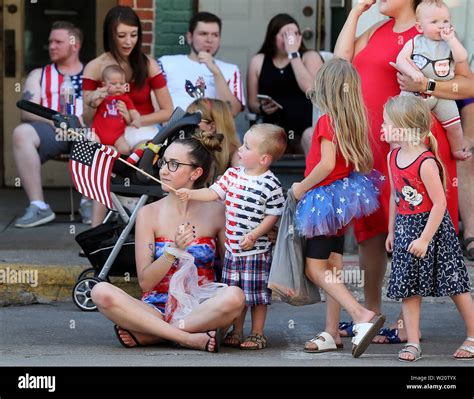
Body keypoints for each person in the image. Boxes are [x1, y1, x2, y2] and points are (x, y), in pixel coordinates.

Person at [332, 0, 474, 344]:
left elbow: (467, 86)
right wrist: (354, 12)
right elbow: (339, 61)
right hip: (375, 143)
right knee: (373, 229)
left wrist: (426, 86)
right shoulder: (376, 30)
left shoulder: (430, 28)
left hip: (414, 146)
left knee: (414, 224)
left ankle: (407, 324)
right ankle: (373, 313)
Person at [91, 131, 246, 351]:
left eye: (174, 164)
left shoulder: (218, 211)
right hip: (155, 306)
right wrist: (172, 250)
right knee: (101, 292)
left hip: (201, 307)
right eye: (163, 162)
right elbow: (146, 283)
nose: (163, 170)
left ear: (196, 172)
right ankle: (188, 338)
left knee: (235, 297)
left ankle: (153, 334)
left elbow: (232, 267)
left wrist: (258, 234)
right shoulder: (148, 213)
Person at [291, 59, 385, 358]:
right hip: (342, 200)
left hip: (322, 201)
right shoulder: (353, 120)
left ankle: (360, 314)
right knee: (333, 265)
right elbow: (361, 163)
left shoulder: (326, 121)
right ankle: (332, 332)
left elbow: (327, 164)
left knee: (314, 268)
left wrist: (301, 187)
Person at [176, 123, 287, 350]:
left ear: (264, 159)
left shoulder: (270, 184)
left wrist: (255, 234)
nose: (240, 150)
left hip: (255, 252)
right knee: (234, 293)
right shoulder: (232, 175)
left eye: (247, 147)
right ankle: (236, 330)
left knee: (256, 295)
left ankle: (257, 333)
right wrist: (191, 193)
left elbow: (273, 214)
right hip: (233, 251)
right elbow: (214, 192)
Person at [384, 95, 473, 361]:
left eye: (387, 123)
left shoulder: (425, 162)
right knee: (409, 287)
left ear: (404, 127)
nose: (382, 128)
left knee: (455, 284)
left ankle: (472, 335)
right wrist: (391, 230)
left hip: (434, 230)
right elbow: (395, 196)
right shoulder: (392, 157)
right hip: (405, 229)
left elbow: (440, 204)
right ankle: (412, 341)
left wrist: (424, 239)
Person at [82, 5, 174, 227]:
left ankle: (139, 223)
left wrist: (138, 119)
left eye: (134, 35)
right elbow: (87, 119)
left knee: (145, 155)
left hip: (140, 127)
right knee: (103, 160)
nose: (128, 42)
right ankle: (96, 230)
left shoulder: (147, 64)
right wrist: (96, 97)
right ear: (109, 36)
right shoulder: (95, 67)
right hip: (106, 128)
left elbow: (168, 111)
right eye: (121, 35)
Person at [12, 21, 85, 228]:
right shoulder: (40, 74)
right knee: (22, 133)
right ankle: (38, 206)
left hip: (88, 132)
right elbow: (26, 111)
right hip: (53, 132)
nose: (51, 46)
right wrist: (58, 121)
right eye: (50, 41)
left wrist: (78, 123)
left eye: (58, 42)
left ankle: (91, 202)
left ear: (75, 45)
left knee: (101, 133)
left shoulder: (92, 72)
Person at [396, 0, 470, 160]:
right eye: (435, 22)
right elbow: (401, 59)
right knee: (406, 124)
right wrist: (412, 72)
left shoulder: (450, 42)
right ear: (420, 27)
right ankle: (406, 153)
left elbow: (461, 57)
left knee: (454, 126)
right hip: (415, 93)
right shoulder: (415, 42)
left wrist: (451, 40)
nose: (441, 25)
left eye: (445, 21)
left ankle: (457, 150)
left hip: (442, 94)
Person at [247, 13, 323, 154]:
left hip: (304, 128)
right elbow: (252, 103)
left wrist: (293, 54)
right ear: (272, 37)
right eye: (285, 35)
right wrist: (262, 108)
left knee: (309, 138)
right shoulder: (258, 61)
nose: (291, 40)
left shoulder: (309, 57)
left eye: (294, 34)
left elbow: (310, 90)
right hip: (273, 128)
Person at [158, 12, 245, 117]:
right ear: (190, 37)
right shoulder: (166, 64)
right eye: (203, 34)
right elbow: (154, 106)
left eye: (215, 35)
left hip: (214, 131)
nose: (209, 40)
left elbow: (233, 112)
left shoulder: (231, 70)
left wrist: (216, 72)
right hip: (175, 130)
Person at [91, 65, 141, 155]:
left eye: (122, 84)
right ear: (104, 85)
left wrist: (137, 119)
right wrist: (98, 98)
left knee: (125, 150)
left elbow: (133, 111)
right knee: (93, 144)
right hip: (98, 133)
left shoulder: (125, 99)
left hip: (117, 136)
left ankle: (119, 163)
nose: (118, 86)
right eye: (113, 84)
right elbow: (93, 105)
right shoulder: (103, 97)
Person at [186, 98, 240, 180]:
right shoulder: (189, 149)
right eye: (187, 119)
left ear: (212, 127)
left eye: (194, 120)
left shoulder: (237, 155)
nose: (187, 124)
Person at [457, 98, 474, 261]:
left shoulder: (454, 72)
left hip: (451, 137)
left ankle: (471, 233)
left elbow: (469, 100)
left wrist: (467, 138)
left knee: (465, 157)